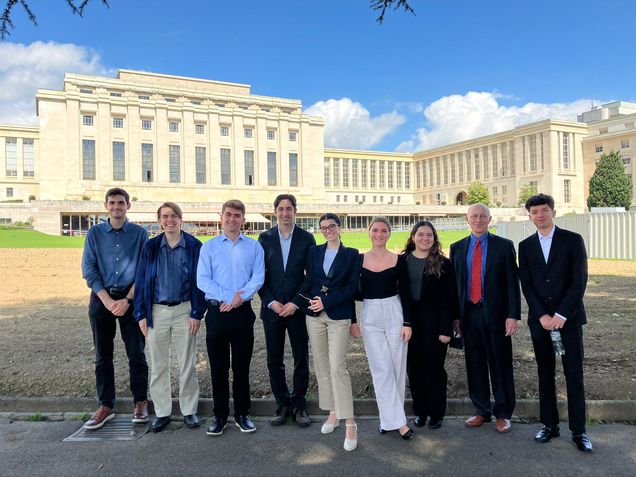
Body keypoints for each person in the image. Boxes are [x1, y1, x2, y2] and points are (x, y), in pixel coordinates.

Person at [518, 194, 592, 452]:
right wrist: (542, 315)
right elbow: (526, 283)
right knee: (545, 374)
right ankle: (549, 425)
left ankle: (579, 431)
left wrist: (561, 314)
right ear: (529, 215)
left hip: (568, 320)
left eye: (544, 210)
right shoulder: (525, 246)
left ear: (553, 211)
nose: (540, 215)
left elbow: (579, 279)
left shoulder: (572, 240)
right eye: (535, 211)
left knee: (574, 375)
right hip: (540, 322)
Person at [133, 202, 207, 432]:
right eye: (165, 216)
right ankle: (163, 412)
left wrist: (197, 311)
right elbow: (141, 279)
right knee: (158, 364)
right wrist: (141, 313)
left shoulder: (194, 246)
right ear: (159, 221)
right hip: (157, 311)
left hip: (185, 309)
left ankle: (189, 410)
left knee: (187, 363)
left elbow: (200, 282)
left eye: (174, 216)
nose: (170, 220)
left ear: (180, 219)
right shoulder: (151, 247)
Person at [81, 187, 149, 429]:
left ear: (128, 206)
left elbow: (144, 270)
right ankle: (105, 406)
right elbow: (89, 270)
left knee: (136, 354)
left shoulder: (140, 234)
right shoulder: (95, 234)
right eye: (112, 203)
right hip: (102, 299)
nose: (116, 207)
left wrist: (128, 300)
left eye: (121, 203)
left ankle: (140, 402)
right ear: (106, 206)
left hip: (131, 299)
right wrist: (108, 301)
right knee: (103, 355)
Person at [450, 203, 520, 434]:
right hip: (469, 315)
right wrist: (455, 316)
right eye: (474, 216)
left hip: (497, 316)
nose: (478, 220)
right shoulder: (457, 248)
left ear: (489, 219)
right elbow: (455, 285)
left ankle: (503, 413)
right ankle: (481, 411)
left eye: (482, 216)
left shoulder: (504, 246)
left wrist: (512, 315)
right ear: (467, 220)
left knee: (500, 364)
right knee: (475, 364)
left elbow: (512, 283)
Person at [197, 199, 265, 436]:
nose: (232, 219)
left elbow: (258, 277)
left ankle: (242, 414)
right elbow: (203, 280)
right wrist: (228, 297)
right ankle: (219, 415)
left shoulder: (254, 247)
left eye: (237, 215)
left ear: (243, 219)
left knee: (241, 367)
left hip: (243, 313)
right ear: (221, 216)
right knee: (218, 367)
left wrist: (240, 297)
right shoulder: (209, 247)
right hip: (217, 313)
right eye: (228, 214)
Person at [292, 213, 360, 451]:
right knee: (321, 367)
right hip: (314, 317)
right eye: (324, 227)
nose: (328, 230)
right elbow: (309, 281)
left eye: (332, 226)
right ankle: (332, 412)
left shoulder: (351, 255)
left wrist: (327, 301)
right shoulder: (314, 252)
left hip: (337, 315)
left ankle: (349, 422)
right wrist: (301, 301)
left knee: (337, 368)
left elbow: (352, 288)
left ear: (339, 227)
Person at [258, 194, 316, 427]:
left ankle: (299, 404)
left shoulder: (306, 238)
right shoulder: (264, 238)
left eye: (289, 209)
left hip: (297, 309)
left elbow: (311, 277)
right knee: (275, 359)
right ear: (275, 212)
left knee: (301, 357)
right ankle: (282, 404)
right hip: (272, 309)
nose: (284, 213)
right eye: (280, 209)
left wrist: (296, 303)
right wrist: (271, 301)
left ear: (295, 211)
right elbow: (258, 275)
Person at [358, 217, 414, 439]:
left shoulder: (399, 260)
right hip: (370, 314)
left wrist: (407, 323)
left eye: (384, 230)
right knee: (381, 369)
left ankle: (388, 419)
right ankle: (399, 423)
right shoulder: (358, 259)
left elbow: (407, 293)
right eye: (375, 230)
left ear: (389, 234)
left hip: (394, 312)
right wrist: (353, 321)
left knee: (397, 368)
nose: (379, 234)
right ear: (369, 232)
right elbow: (351, 291)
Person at [403, 220, 459, 430]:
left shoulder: (443, 263)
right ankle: (421, 412)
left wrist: (446, 329)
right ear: (413, 237)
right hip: (410, 325)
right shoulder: (403, 260)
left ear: (434, 239)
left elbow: (449, 298)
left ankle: (436, 413)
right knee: (415, 371)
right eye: (421, 234)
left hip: (435, 326)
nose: (425, 238)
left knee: (435, 371)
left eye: (429, 235)